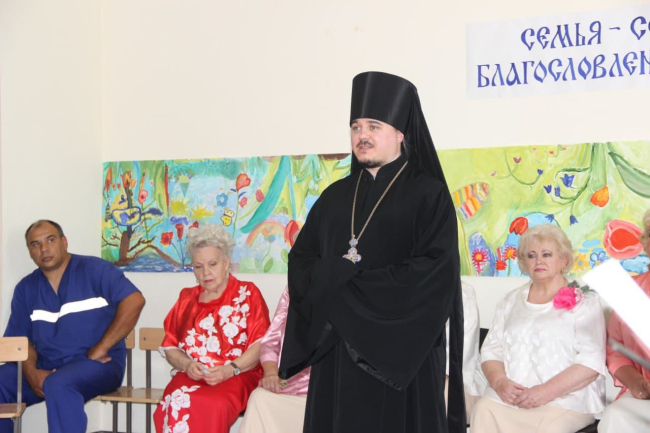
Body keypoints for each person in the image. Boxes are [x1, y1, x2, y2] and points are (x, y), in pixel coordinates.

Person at [279, 71, 465, 433]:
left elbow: (434, 273)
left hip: (401, 356)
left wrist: (348, 287)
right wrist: (335, 279)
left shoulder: (429, 195)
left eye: (373, 126)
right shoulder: (334, 197)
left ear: (400, 133)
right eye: (356, 127)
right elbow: (301, 261)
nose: (362, 136)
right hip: (338, 354)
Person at [0, 219, 145, 433]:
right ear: (30, 252)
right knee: (3, 380)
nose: (44, 249)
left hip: (97, 364)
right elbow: (20, 340)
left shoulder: (94, 269)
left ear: (64, 242)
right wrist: (31, 373)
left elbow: (134, 300)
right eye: (35, 244)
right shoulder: (26, 288)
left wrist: (102, 347)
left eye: (50, 240)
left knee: (59, 383)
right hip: (46, 366)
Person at [470, 224, 606, 433]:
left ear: (563, 260)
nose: (539, 261)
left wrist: (545, 392)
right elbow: (491, 350)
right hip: (511, 398)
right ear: (524, 262)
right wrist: (500, 383)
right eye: (531, 255)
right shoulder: (510, 300)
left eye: (547, 254)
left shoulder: (585, 300)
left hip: (566, 401)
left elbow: (591, 362)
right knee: (483, 409)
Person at [154, 224, 270, 433]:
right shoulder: (186, 299)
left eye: (212, 264)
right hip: (193, 376)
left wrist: (229, 369)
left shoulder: (247, 293)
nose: (206, 272)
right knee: (176, 399)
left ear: (226, 263)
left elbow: (260, 344)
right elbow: (170, 347)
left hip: (237, 374)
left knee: (214, 404)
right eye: (198, 266)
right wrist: (187, 365)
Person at [598, 209, 650, 432]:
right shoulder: (629, 291)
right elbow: (615, 350)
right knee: (615, 416)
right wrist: (636, 382)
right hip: (644, 396)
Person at [239, 286, 311, 433]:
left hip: (323, 388)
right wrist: (271, 372)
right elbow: (271, 341)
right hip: (287, 383)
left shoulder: (345, 288)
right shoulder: (293, 289)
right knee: (259, 398)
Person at [446, 281, 480, 419]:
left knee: (440, 397)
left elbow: (465, 342)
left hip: (456, 372)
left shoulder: (464, 291)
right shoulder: (403, 287)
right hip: (413, 372)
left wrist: (442, 371)